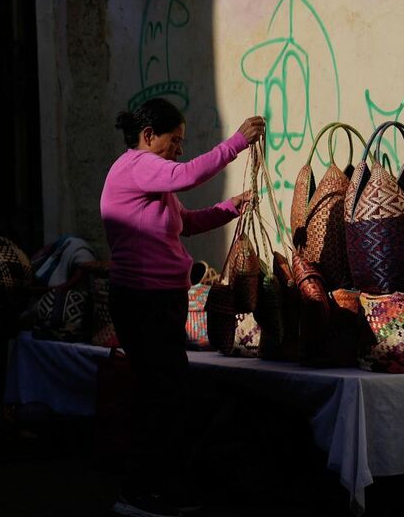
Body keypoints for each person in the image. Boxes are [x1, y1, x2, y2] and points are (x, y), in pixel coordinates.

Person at [101, 98, 266, 517]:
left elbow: (185, 223)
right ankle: (139, 491)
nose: (179, 149)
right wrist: (236, 144)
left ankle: (161, 486)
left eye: (182, 142)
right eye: (175, 140)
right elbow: (188, 175)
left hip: (159, 301)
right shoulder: (137, 165)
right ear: (148, 136)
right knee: (164, 398)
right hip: (142, 301)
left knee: (168, 396)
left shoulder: (152, 182)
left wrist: (231, 208)